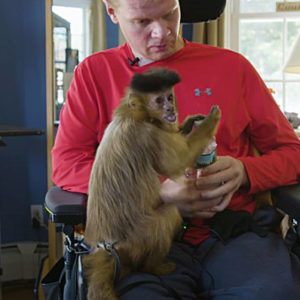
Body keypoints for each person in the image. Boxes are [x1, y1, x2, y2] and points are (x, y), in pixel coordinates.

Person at [52, 0, 300, 298]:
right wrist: (158, 191)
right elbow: (67, 164)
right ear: (113, 13)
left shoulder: (233, 67)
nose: (162, 32)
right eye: (143, 22)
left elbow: (292, 152)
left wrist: (245, 171)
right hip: (142, 240)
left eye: (170, 14)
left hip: (234, 235)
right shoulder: (93, 73)